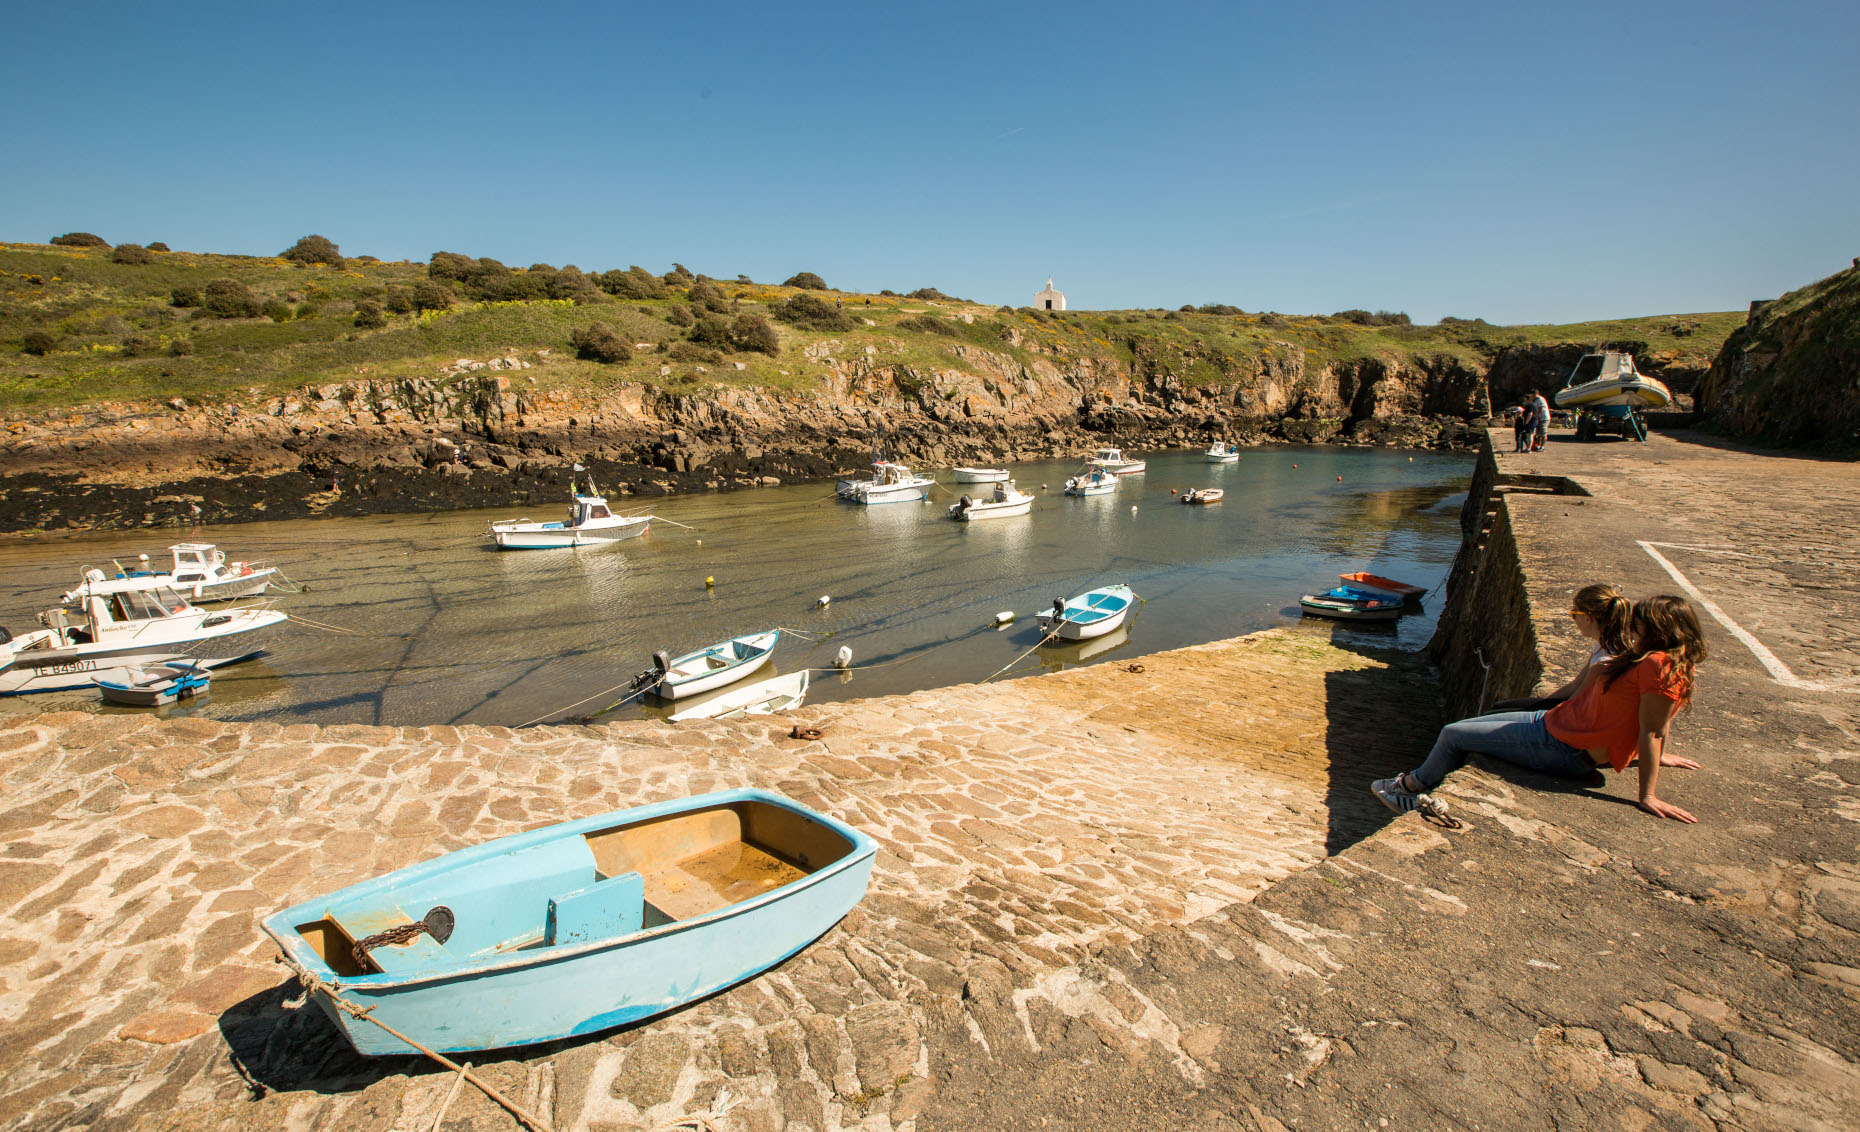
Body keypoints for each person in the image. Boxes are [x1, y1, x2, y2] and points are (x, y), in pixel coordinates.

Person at [1373, 594, 1708, 823]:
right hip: (1555, 722)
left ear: (1658, 628)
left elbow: (1652, 727)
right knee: (1477, 723)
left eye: (1640, 623)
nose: (1633, 629)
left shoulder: (1656, 665)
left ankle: (1410, 789)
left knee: (1452, 735)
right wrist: (1655, 752)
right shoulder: (1668, 663)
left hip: (1563, 745)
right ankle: (1417, 785)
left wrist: (1647, 794)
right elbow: (1652, 721)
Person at [1490, 583, 1632, 712]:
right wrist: (1541, 703)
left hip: (1571, 717)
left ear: (1588, 619)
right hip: (1569, 709)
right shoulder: (1603, 643)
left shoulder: (1603, 662)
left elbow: (1573, 703)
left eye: (1574, 614)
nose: (1573, 619)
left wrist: (1536, 716)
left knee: (1498, 713)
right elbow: (1575, 684)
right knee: (1499, 707)